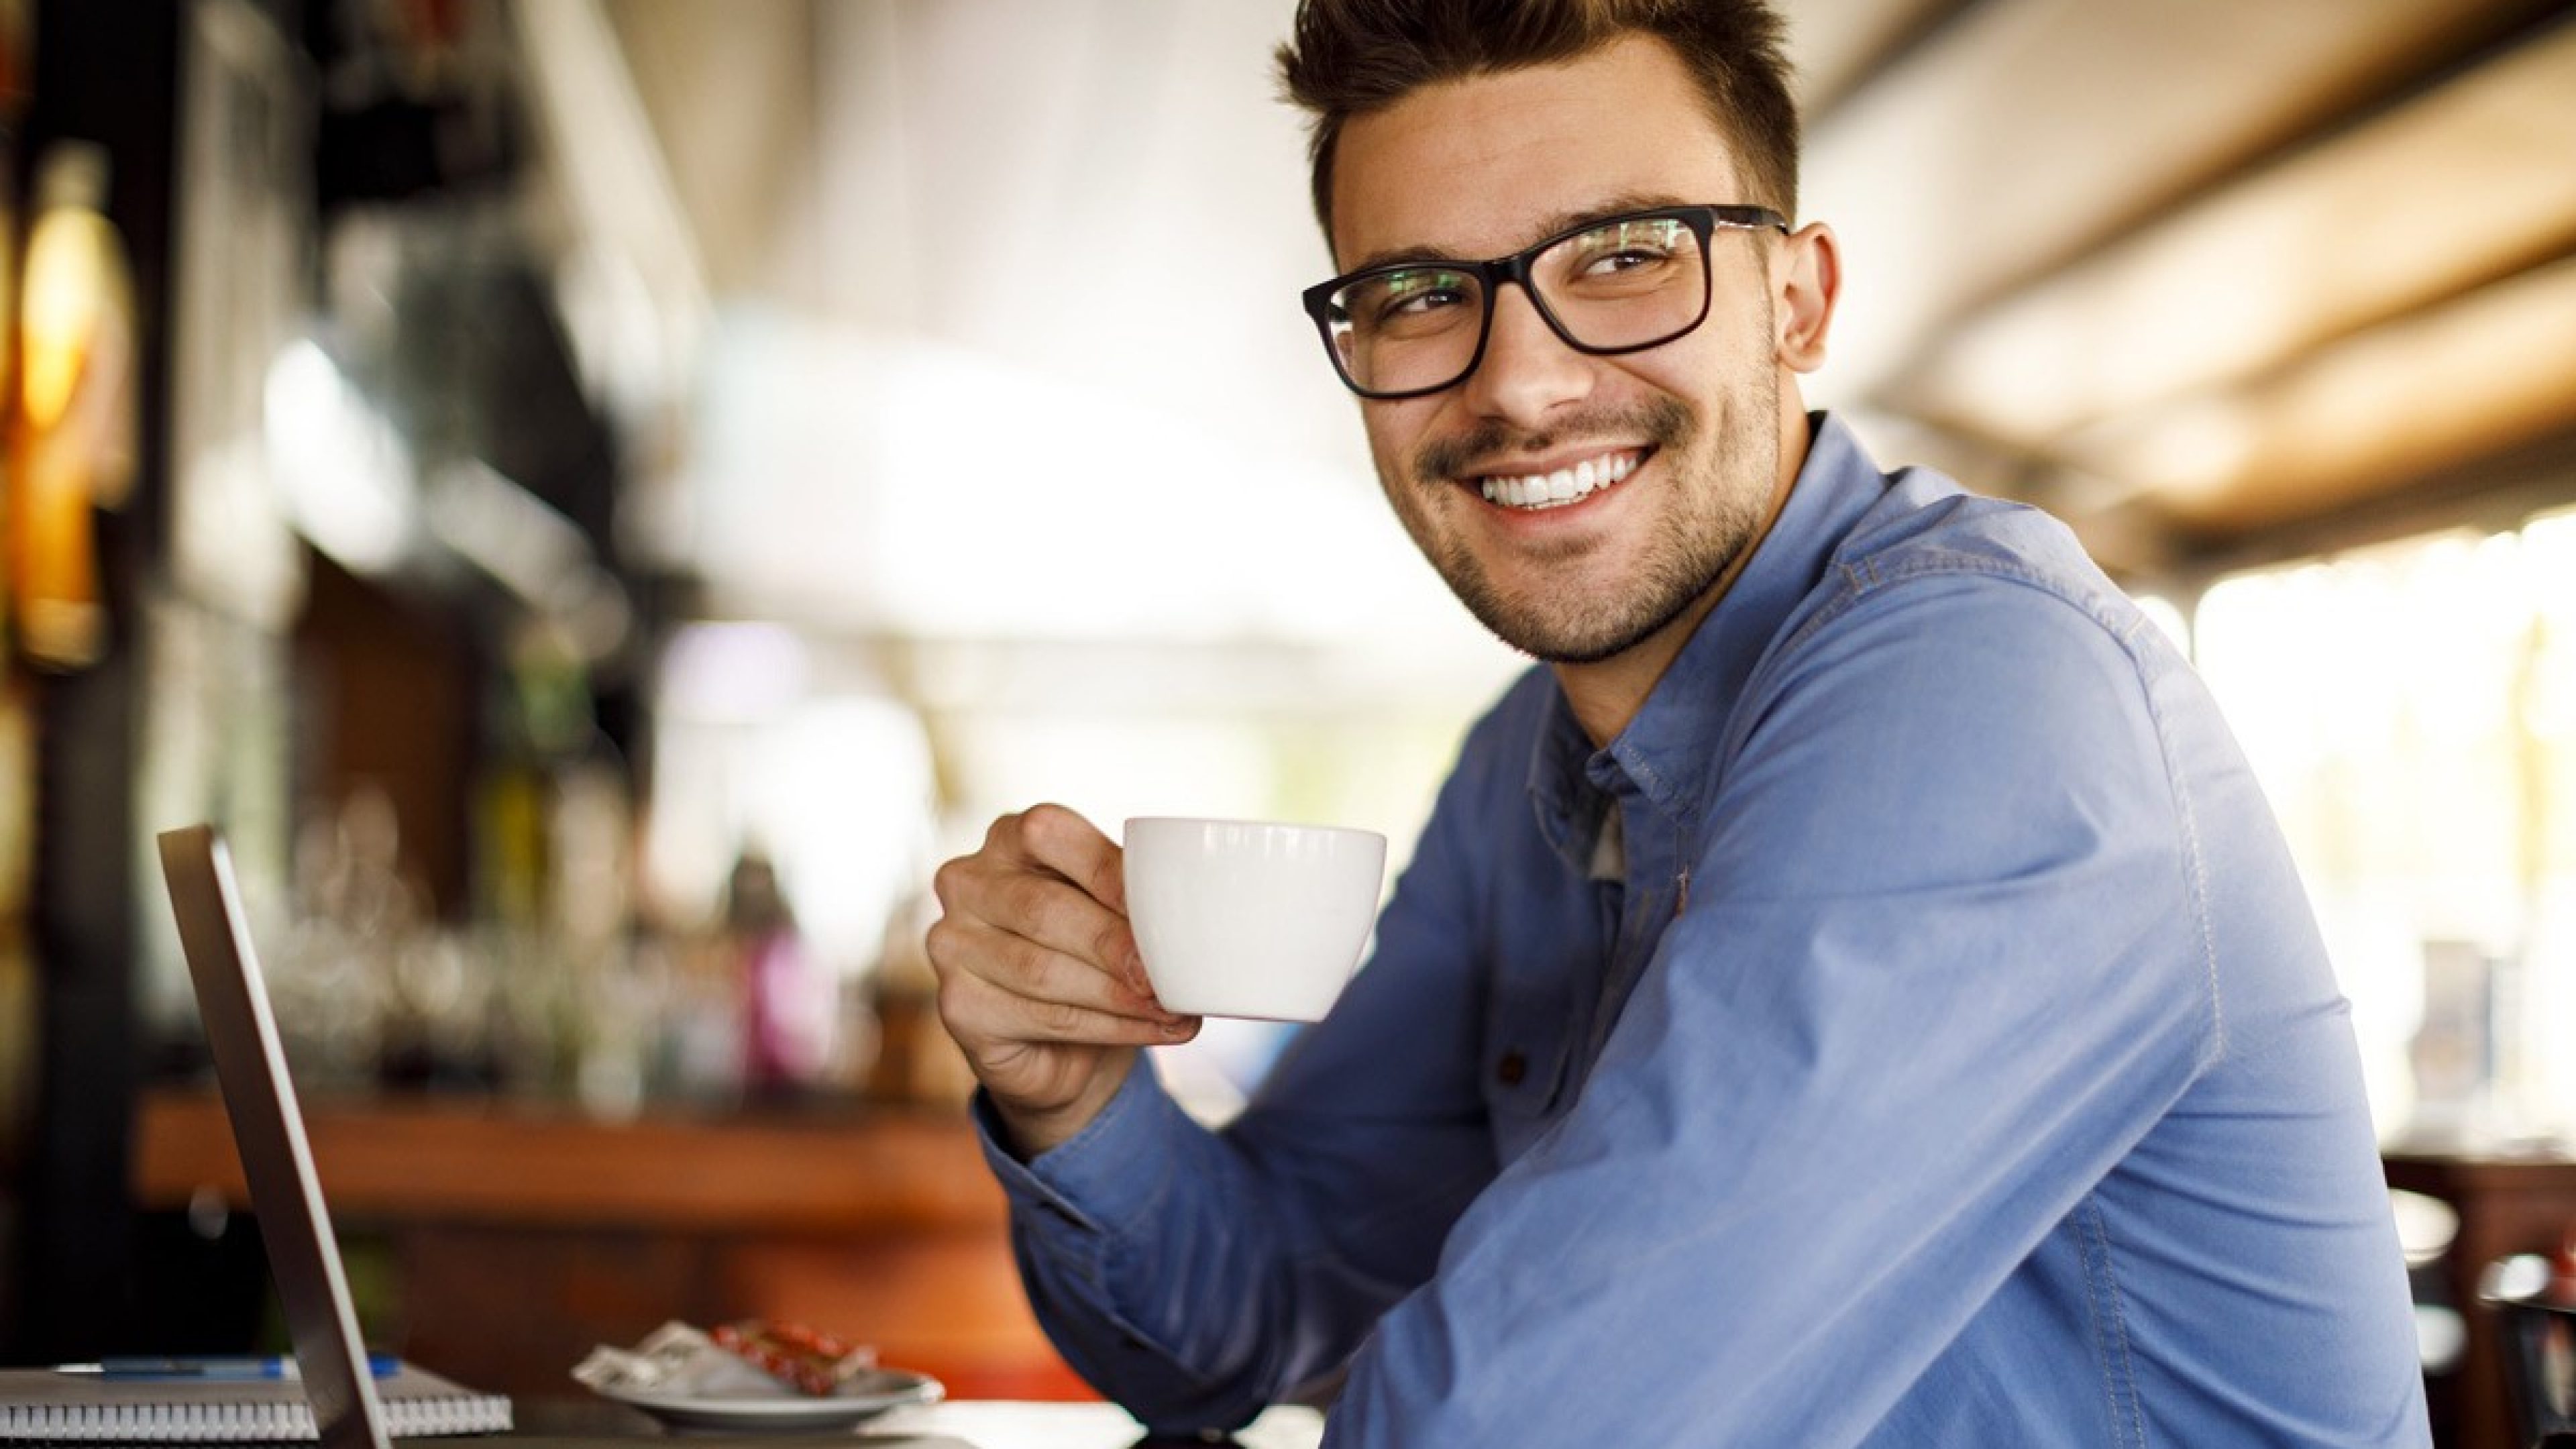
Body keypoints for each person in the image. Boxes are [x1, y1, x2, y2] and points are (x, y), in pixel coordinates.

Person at [923, 1, 2430, 1442]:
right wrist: (1075, 1101)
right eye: (1419, 294)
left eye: (1626, 257)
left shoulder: (1986, 688)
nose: (1518, 384)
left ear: (1800, 302)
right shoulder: (1528, 760)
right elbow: (1240, 1321)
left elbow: (1527, 1428)